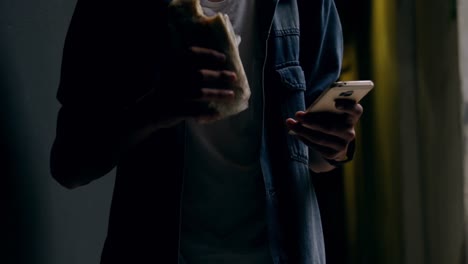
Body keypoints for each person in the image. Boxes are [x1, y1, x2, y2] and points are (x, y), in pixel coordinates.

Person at [50, 0, 363, 263]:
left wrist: (336, 146)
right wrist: (157, 108)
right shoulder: (118, 8)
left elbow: (319, 159)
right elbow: (69, 164)